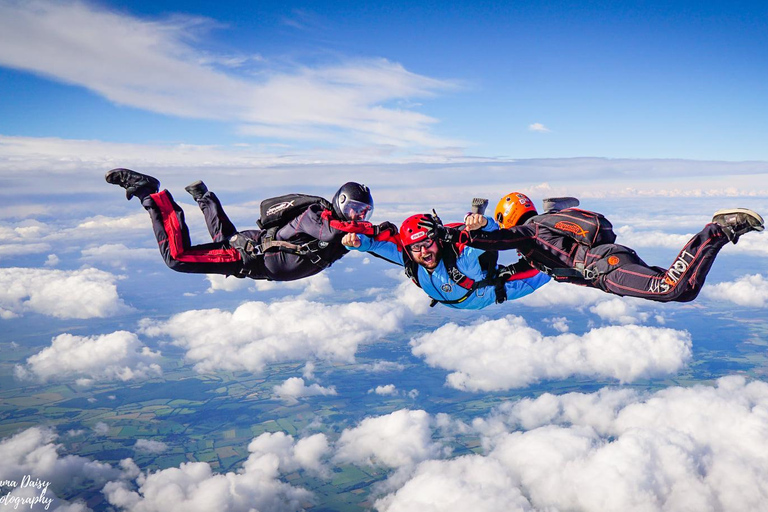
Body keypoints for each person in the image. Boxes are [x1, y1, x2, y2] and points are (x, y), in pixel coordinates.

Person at [424, 192, 764, 303]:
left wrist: (457, 236)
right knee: (684, 291)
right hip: (610, 261)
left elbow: (500, 239)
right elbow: (530, 263)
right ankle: (719, 233)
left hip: (607, 268)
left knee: (667, 288)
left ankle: (718, 229)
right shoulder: (545, 227)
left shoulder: (530, 232)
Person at [105, 168, 392, 281]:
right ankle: (150, 193)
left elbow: (365, 242)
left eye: (365, 212)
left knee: (225, 239)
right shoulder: (318, 215)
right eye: (354, 209)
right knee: (178, 258)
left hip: (252, 254)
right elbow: (334, 232)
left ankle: (203, 196)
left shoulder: (344, 229)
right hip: (250, 255)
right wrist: (376, 229)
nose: (358, 217)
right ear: (340, 201)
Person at [342, 210, 550, 309]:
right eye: (416, 247)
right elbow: (376, 244)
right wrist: (356, 242)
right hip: (464, 299)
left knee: (552, 267)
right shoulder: (410, 260)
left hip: (491, 292)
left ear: (439, 241)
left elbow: (490, 238)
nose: (424, 252)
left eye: (427, 243)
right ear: (408, 249)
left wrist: (483, 224)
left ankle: (551, 228)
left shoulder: (461, 262)